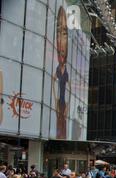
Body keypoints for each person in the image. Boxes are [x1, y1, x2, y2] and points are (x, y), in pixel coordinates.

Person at [53, 6, 70, 140]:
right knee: (58, 125)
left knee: (62, 126)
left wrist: (68, 106)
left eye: (64, 33)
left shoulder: (65, 70)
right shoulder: (57, 68)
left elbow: (69, 88)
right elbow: (53, 82)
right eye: (58, 32)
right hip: (59, 101)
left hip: (64, 103)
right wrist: (55, 100)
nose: (60, 40)